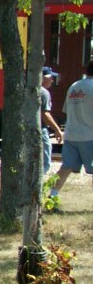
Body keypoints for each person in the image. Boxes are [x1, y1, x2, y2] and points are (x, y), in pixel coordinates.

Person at [49, 59, 93, 203]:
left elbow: (67, 111)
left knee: (66, 167)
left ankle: (52, 195)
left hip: (71, 135)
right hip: (89, 136)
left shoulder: (74, 86)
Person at [40, 67, 64, 175]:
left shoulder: (29, 90)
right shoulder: (44, 93)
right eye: (51, 78)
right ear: (44, 78)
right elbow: (44, 114)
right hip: (41, 129)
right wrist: (57, 129)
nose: (52, 81)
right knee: (45, 162)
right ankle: (37, 185)